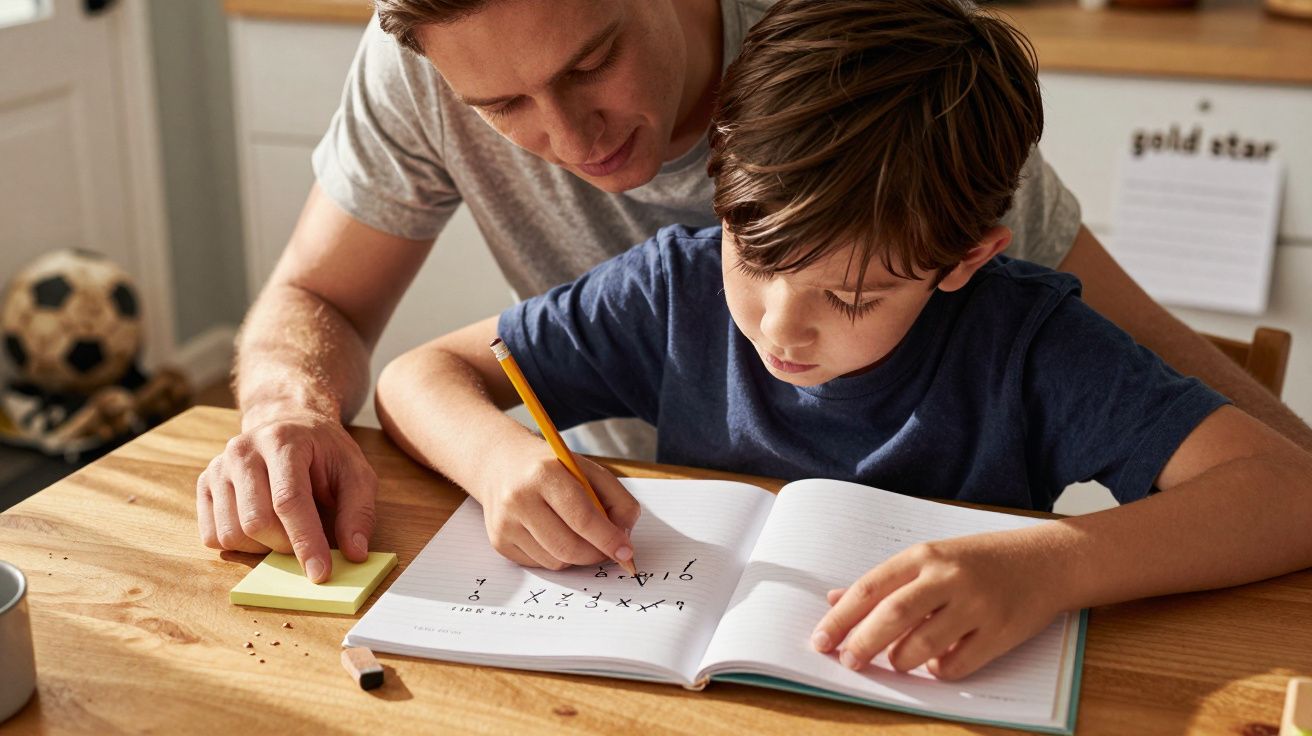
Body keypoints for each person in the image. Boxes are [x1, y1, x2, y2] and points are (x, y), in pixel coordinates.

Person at [195, 0, 1312, 585]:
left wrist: (1049, 569)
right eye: (501, 106)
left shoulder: (884, 108)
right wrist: (472, 454)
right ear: (724, 187)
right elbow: (391, 355)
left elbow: (1261, 469)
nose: (567, 141)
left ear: (963, 254)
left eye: (589, 64)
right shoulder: (677, 288)